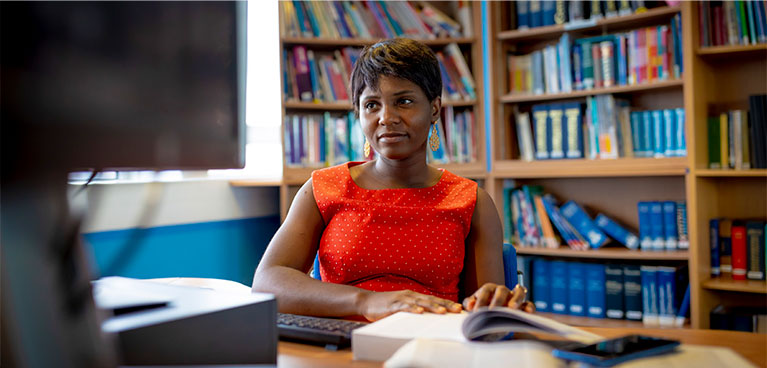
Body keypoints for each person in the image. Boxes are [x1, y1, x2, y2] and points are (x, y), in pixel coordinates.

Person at [252, 38, 533, 321]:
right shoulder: (323, 189)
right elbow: (268, 281)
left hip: (428, 348)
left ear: (434, 109)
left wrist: (499, 304)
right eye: (372, 105)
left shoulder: (472, 201)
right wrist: (366, 302)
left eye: (404, 101)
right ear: (359, 114)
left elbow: (482, 314)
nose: (386, 117)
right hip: (338, 348)